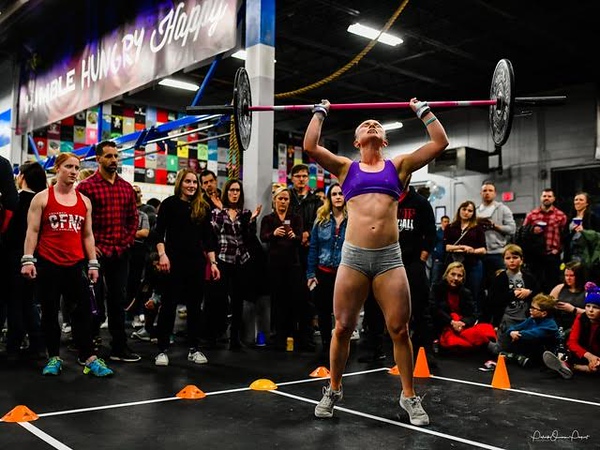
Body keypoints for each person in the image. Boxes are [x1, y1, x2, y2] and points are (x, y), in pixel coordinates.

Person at [304, 97, 449, 425]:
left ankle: (409, 395)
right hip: (353, 258)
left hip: (389, 259)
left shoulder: (398, 167)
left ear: (383, 140)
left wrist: (422, 111)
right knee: (341, 327)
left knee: (399, 329)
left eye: (377, 126)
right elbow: (311, 146)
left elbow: (440, 142)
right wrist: (320, 111)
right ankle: (334, 388)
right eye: (365, 125)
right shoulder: (346, 168)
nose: (371, 125)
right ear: (357, 141)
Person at [21, 153, 113, 377]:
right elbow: (32, 231)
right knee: (50, 313)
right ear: (57, 168)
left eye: (76, 167)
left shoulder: (84, 201)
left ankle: (89, 357)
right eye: (69, 167)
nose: (73, 171)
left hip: (75, 265)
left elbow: (88, 235)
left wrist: (93, 263)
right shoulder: (42, 198)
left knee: (83, 313)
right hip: (48, 264)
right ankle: (54, 357)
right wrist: (27, 259)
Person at [77, 140, 140, 362]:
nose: (114, 160)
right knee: (92, 300)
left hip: (120, 253)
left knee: (118, 300)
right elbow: (81, 221)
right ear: (98, 159)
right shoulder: (86, 187)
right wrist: (91, 247)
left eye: (116, 156)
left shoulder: (125, 188)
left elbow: (134, 219)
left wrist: (127, 241)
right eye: (109, 156)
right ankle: (88, 346)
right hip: (96, 253)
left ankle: (119, 347)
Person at [153, 168, 219, 366]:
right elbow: (159, 233)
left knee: (194, 307)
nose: (191, 185)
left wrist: (213, 263)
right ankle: (162, 350)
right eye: (187, 182)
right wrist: (162, 255)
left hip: (196, 263)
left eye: (194, 182)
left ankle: (193, 348)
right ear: (180, 183)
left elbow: (208, 238)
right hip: (173, 262)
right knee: (168, 306)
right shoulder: (169, 204)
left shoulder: (203, 207)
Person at [211, 178, 262, 349]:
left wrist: (252, 220)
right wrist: (222, 211)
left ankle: (235, 338)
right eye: (232, 190)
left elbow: (248, 237)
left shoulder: (245, 213)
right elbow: (214, 235)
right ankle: (216, 335)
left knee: (238, 301)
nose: (234, 193)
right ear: (226, 192)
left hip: (241, 260)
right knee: (219, 299)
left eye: (237, 191)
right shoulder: (217, 213)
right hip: (224, 259)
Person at [4, 162, 46, 359]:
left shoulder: (17, 201)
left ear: (22, 177)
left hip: (15, 256)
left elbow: (9, 233)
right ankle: (37, 344)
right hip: (39, 257)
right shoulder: (45, 200)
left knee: (14, 301)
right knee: (30, 302)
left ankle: (14, 344)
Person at [260, 187, 304, 350]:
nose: (283, 202)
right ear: (274, 200)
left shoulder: (296, 218)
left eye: (286, 199)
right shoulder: (268, 219)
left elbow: (301, 238)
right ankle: (277, 335)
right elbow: (263, 237)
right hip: (275, 265)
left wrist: (295, 236)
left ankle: (291, 333)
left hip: (292, 264)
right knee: (277, 300)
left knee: (292, 300)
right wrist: (273, 234)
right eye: (280, 199)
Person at [306, 183, 347, 355]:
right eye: (334, 194)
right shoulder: (321, 219)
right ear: (330, 198)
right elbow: (313, 247)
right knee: (323, 313)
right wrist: (310, 273)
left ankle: (341, 347)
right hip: (323, 273)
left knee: (342, 315)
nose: (338, 197)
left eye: (340, 194)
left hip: (344, 274)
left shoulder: (353, 220)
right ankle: (326, 346)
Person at [288, 163, 322, 349]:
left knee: (308, 296)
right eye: (297, 176)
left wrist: (307, 232)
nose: (301, 179)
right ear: (292, 178)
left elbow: (319, 221)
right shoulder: (287, 198)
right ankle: (290, 335)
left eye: (304, 176)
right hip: (291, 253)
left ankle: (307, 337)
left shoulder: (316, 201)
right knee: (292, 294)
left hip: (309, 253)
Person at [486, 244, 540, 353]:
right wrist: (512, 294)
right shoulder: (500, 278)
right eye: (508, 258)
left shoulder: (529, 277)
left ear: (521, 260)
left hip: (525, 318)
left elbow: (539, 294)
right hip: (507, 318)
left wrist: (529, 292)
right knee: (500, 350)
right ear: (504, 261)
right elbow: (493, 300)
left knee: (525, 349)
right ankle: (485, 342)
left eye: (515, 258)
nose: (512, 261)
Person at [431, 262, 496, 352]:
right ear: (446, 275)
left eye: (459, 276)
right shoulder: (436, 288)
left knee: (487, 328)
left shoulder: (466, 292)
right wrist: (451, 321)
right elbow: (434, 309)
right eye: (453, 274)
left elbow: (473, 314)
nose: (456, 278)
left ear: (463, 278)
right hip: (444, 324)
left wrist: (462, 323)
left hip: (461, 325)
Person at [544, 282, 600, 378]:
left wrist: (596, 360)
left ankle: (575, 367)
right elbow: (572, 342)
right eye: (588, 306)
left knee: (596, 367)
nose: (590, 310)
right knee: (568, 349)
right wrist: (589, 356)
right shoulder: (581, 318)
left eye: (595, 307)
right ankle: (567, 364)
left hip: (597, 355)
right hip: (585, 353)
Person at [444, 201, 487, 311]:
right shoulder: (450, 227)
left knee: (473, 292)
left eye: (470, 210)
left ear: (473, 213)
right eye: (464, 209)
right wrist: (462, 247)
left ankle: (473, 316)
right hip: (455, 264)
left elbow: (483, 249)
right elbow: (447, 247)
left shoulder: (477, 228)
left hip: (473, 264)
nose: (466, 212)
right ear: (459, 210)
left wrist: (472, 250)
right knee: (454, 291)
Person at [522, 188, 567, 293]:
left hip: (552, 255)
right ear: (541, 197)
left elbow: (564, 236)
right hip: (535, 256)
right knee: (535, 284)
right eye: (544, 196)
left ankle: (551, 308)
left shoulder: (561, 215)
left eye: (549, 196)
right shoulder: (531, 215)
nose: (547, 198)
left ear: (554, 198)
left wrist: (559, 250)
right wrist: (532, 230)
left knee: (552, 285)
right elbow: (523, 233)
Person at [476, 181, 516, 293]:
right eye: (484, 191)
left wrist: (495, 226)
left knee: (500, 285)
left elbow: (512, 229)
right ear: (481, 193)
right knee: (479, 286)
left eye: (490, 190)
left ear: (495, 193)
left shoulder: (503, 209)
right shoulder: (475, 210)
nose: (487, 193)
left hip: (497, 254)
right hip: (479, 254)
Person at [499, 293, 559, 367]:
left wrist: (518, 333)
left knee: (530, 339)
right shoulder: (532, 319)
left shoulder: (551, 326)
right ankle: (517, 357)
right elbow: (515, 327)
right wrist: (511, 332)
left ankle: (517, 357)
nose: (530, 310)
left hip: (542, 353)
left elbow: (534, 334)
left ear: (544, 313)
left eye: (534, 308)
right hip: (527, 349)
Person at [562, 192, 600, 283]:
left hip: (587, 258)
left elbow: (597, 237)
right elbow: (564, 237)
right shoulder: (570, 218)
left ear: (587, 203)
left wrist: (583, 231)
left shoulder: (593, 218)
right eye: (576, 200)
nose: (577, 202)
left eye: (581, 200)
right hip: (572, 256)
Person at [549, 261, 586, 334]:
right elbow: (546, 304)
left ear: (579, 276)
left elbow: (593, 313)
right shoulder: (559, 288)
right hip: (558, 324)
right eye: (566, 275)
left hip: (579, 326)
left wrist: (573, 310)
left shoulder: (587, 290)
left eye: (571, 276)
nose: (568, 278)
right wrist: (553, 305)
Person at [430, 215, 450, 287]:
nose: (446, 223)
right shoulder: (437, 233)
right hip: (438, 259)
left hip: (447, 259)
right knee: (435, 278)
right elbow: (432, 246)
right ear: (441, 222)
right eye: (445, 221)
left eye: (447, 222)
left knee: (445, 279)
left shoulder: (450, 233)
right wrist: (435, 257)